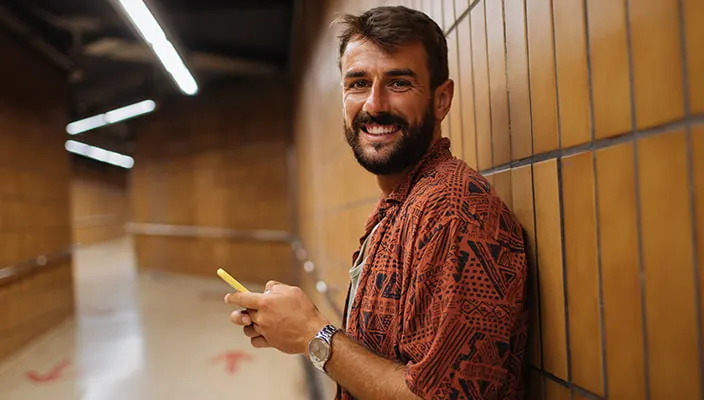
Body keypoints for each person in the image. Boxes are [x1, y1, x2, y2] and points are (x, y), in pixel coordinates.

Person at [225, 5, 530, 400]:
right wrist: (296, 328)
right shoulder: (403, 204)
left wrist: (314, 335)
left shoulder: (453, 211)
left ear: (441, 99)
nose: (374, 104)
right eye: (358, 83)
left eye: (399, 83)